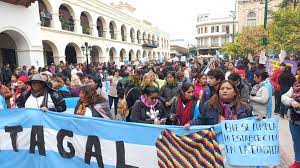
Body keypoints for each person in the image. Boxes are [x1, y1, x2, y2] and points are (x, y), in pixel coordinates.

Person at [185, 80, 252, 127]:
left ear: (235, 92)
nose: (225, 91)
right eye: (222, 89)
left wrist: (259, 120)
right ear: (218, 92)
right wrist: (190, 124)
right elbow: (201, 120)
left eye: (228, 88)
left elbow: (251, 123)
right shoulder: (209, 105)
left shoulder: (245, 107)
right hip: (216, 143)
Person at [281, 75, 300, 168]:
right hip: (294, 121)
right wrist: (291, 101)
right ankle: (297, 162)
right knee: (296, 142)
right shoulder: (295, 86)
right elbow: (283, 97)